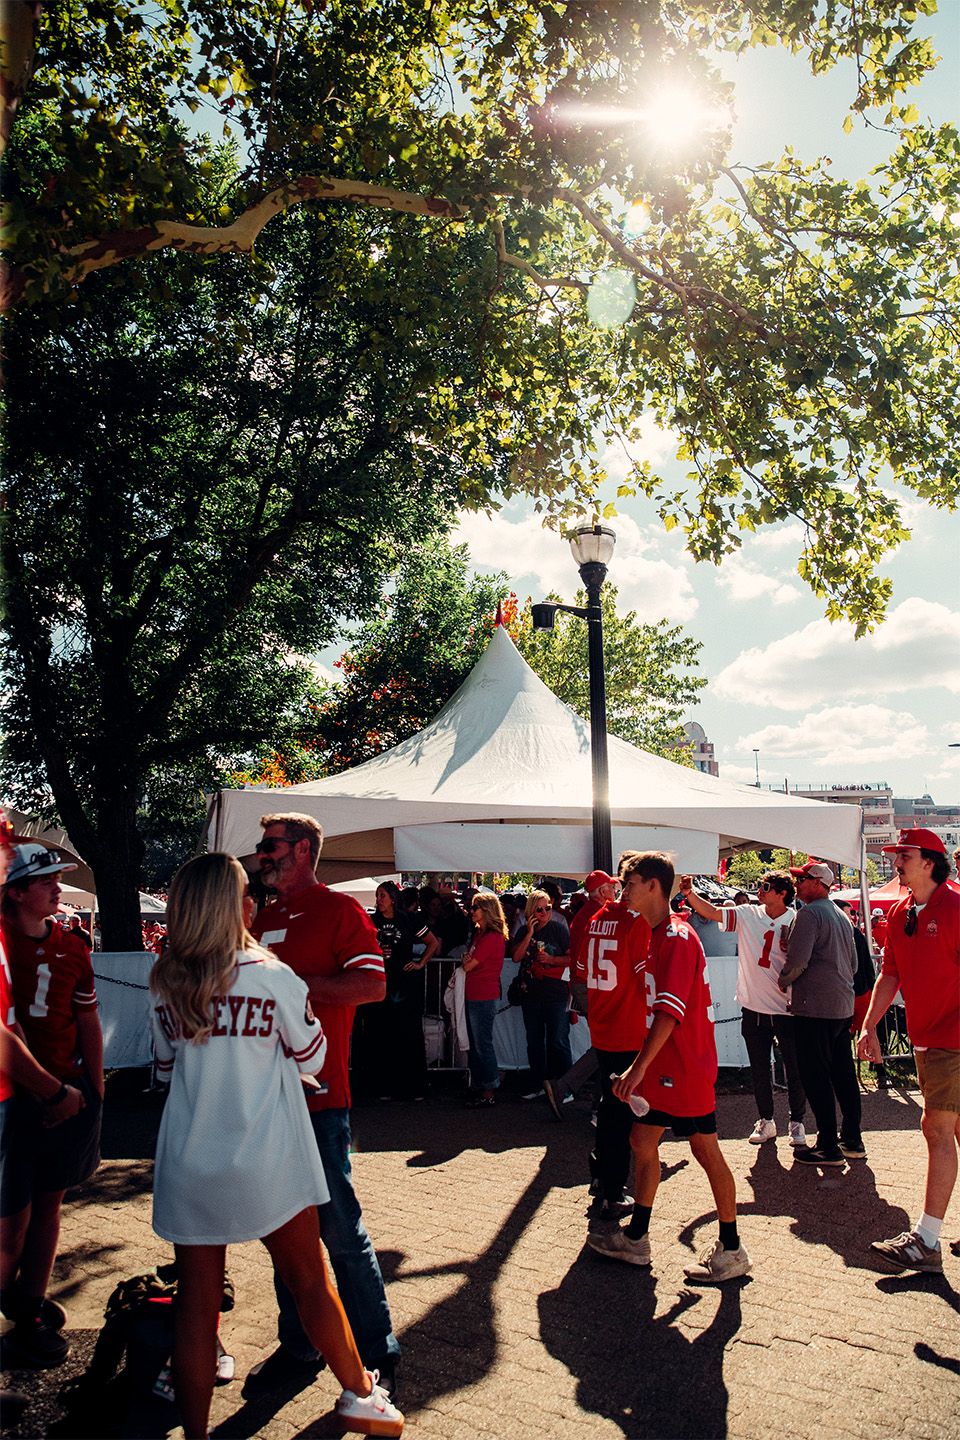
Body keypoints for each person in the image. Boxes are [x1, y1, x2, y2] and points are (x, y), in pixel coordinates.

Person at [150, 853, 402, 1440]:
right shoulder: (274, 975)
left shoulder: (166, 979)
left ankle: (195, 1433)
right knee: (309, 1279)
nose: (256, 902)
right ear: (235, 908)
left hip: (190, 1156)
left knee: (196, 1307)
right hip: (267, 1154)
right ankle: (362, 1395)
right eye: (248, 893)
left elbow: (163, 1067)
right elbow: (313, 1056)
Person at [244, 813, 400, 1400]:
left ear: (303, 849)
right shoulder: (261, 916)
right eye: (261, 846)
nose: (262, 855)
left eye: (271, 845)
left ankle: (377, 1352)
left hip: (320, 1098)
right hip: (266, 1100)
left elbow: (373, 986)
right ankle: (301, 1344)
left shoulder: (340, 910)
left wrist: (291, 987)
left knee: (339, 1230)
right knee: (287, 1234)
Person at [587, 851, 750, 1282]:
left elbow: (669, 1012)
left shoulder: (676, 937)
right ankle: (637, 1238)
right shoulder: (656, 933)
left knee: (705, 1150)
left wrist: (637, 1068)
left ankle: (732, 1248)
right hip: (666, 1065)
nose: (623, 891)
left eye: (630, 884)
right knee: (642, 1141)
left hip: (684, 1066)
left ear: (653, 886)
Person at [0, 842, 104, 1364]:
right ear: (16, 892)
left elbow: (87, 1018)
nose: (57, 889)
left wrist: (95, 1089)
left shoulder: (71, 945)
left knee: (48, 1206)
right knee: (11, 1221)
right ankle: (17, 1303)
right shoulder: (4, 943)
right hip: (15, 1098)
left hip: (64, 1092)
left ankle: (30, 1305)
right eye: (46, 881)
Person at [857, 829, 960, 1273]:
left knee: (935, 1128)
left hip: (953, 1040)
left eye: (905, 855)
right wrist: (869, 1027)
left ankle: (926, 1241)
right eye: (895, 854)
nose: (896, 862)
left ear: (930, 862)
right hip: (926, 1038)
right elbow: (891, 974)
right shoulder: (900, 912)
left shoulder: (956, 907)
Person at [680, 871, 807, 1147]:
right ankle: (766, 1120)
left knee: (795, 1068)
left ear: (782, 893)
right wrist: (690, 894)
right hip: (753, 1004)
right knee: (759, 1068)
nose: (759, 890)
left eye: (766, 886)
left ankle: (797, 1122)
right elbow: (712, 912)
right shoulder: (748, 913)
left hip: (786, 1007)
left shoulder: (796, 919)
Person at [571, 872, 649, 1221]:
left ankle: (602, 1178)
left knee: (607, 1106)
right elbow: (647, 979)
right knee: (619, 1113)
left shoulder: (595, 919)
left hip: (603, 1026)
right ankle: (612, 1191)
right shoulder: (634, 922)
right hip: (626, 1028)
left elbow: (581, 973)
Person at [778, 861, 862, 1167]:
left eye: (803, 879)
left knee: (815, 1076)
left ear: (818, 884)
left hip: (815, 1007)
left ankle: (827, 1145)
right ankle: (851, 1138)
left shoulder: (809, 913)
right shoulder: (841, 915)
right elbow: (854, 964)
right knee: (843, 1074)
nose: (797, 883)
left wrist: (783, 980)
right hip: (841, 1006)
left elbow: (798, 961)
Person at [366, 881, 438, 1101]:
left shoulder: (408, 919)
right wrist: (376, 953)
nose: (379, 900)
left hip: (405, 983)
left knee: (408, 1032)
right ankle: (384, 1086)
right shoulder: (371, 921)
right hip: (381, 982)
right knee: (382, 1033)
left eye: (382, 896)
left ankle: (414, 1086)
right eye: (377, 896)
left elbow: (433, 942)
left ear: (393, 898)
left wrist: (420, 963)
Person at [513, 889, 573, 1119]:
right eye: (539, 909)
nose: (544, 912)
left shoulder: (559, 929)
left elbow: (572, 957)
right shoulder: (523, 930)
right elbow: (516, 956)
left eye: (548, 907)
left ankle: (566, 1085)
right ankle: (539, 1083)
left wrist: (552, 959)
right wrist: (529, 932)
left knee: (558, 1039)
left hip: (556, 993)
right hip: (531, 994)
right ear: (531, 911)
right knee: (535, 1041)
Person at [461, 893, 507, 1107]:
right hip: (475, 994)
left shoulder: (491, 938)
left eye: (475, 908)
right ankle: (480, 1085)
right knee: (476, 1044)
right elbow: (468, 961)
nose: (471, 912)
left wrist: (467, 962)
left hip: (484, 996)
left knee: (482, 1044)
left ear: (487, 910)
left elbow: (469, 964)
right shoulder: (480, 934)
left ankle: (488, 1090)